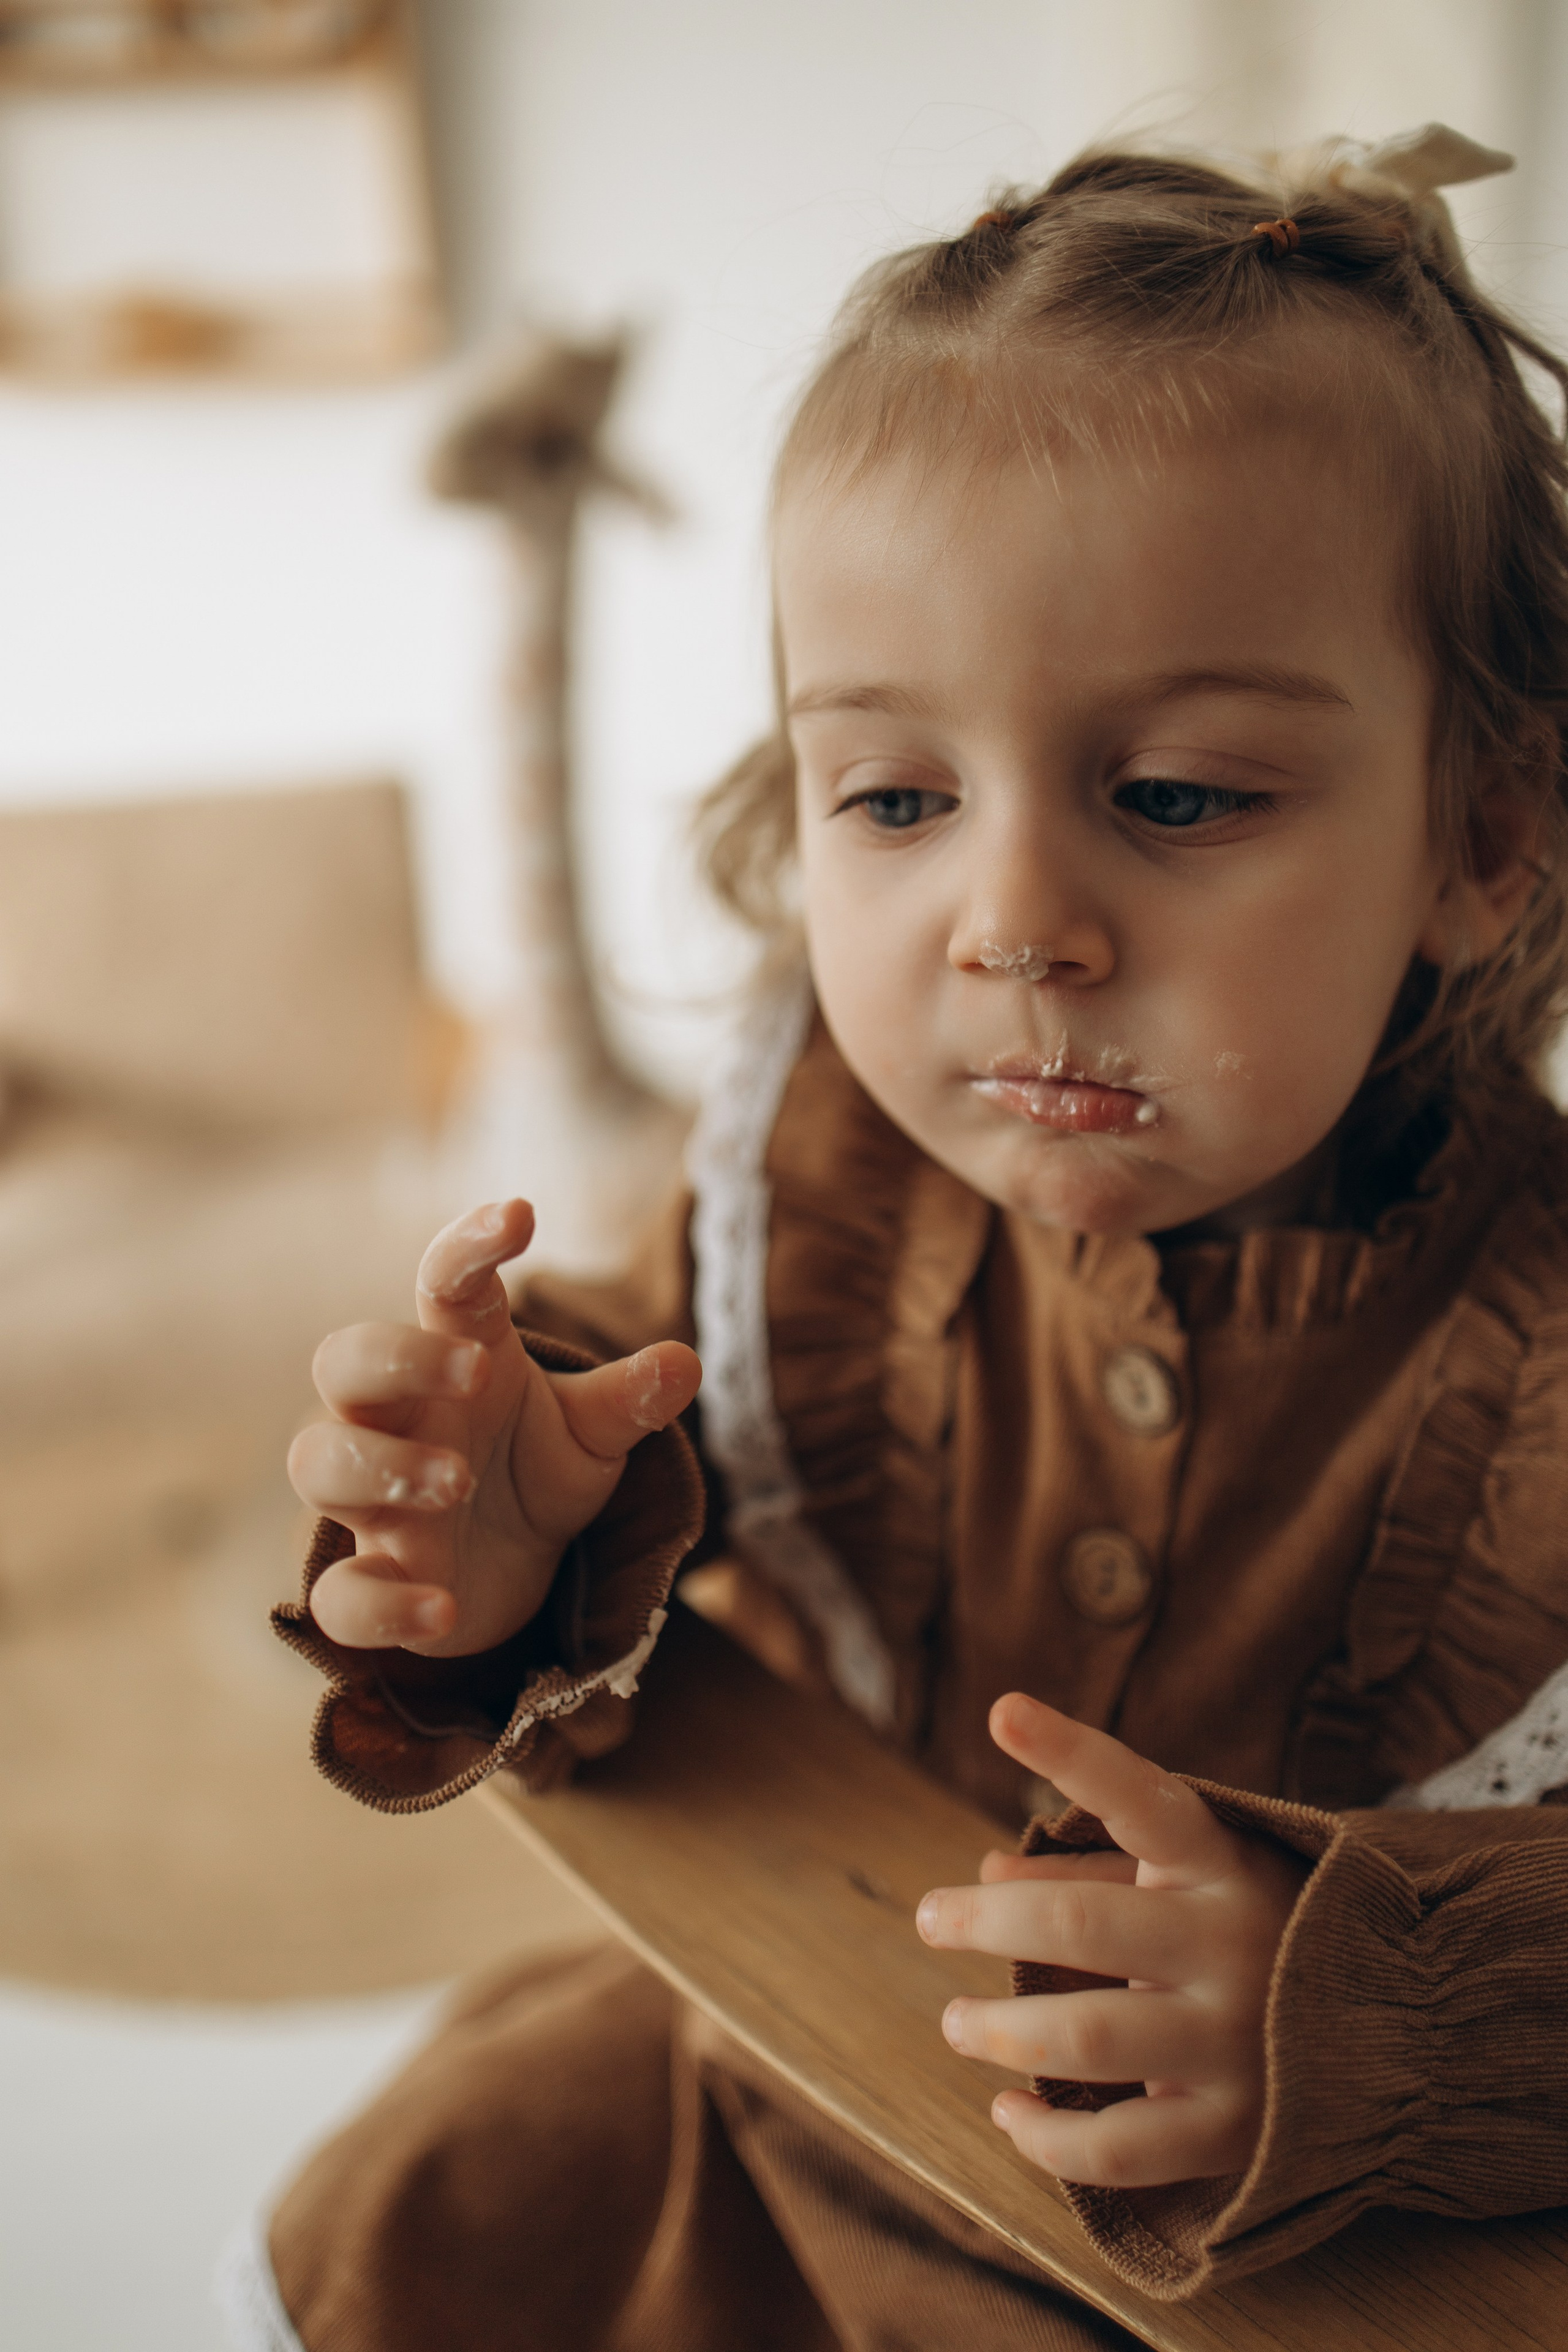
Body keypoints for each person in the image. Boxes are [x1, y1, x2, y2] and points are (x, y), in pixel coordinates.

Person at [222, 126, 1568, 2352]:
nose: (1017, 924)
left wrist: (1360, 2010)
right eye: (901, 797)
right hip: (788, 2078)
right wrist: (499, 1536)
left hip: (1282, 2265)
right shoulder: (820, 1171)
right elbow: (641, 1428)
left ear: (1484, 837)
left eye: (1178, 796)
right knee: (406, 2225)